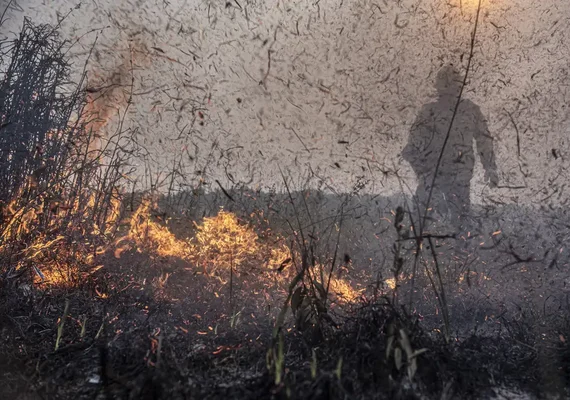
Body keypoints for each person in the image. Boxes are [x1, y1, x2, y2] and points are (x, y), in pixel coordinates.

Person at [402, 65, 498, 232]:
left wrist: (490, 167)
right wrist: (424, 175)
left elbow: (484, 139)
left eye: (454, 86)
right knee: (420, 226)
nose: (451, 91)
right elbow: (410, 150)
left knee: (461, 228)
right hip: (433, 179)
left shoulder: (470, 110)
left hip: (458, 179)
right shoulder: (429, 112)